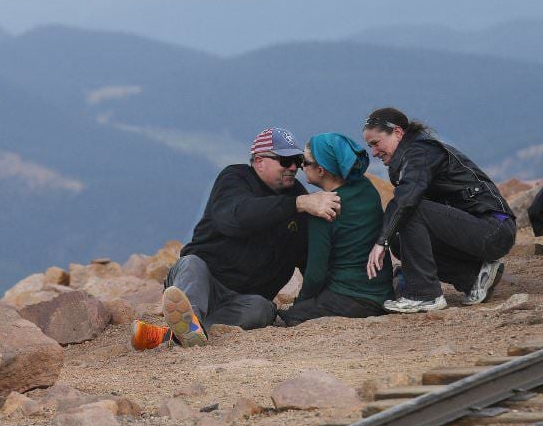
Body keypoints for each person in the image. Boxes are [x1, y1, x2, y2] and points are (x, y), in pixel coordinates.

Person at [131, 127, 342, 350]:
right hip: (207, 281)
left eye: (297, 160)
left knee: (263, 309)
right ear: (259, 161)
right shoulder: (235, 178)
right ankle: (188, 322)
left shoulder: (296, 195)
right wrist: (298, 204)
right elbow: (237, 218)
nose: (292, 168)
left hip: (245, 299)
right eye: (284, 160)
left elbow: (307, 256)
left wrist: (333, 297)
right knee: (192, 265)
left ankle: (181, 334)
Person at [363, 107, 516, 313]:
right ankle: (474, 276)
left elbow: (407, 199)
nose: (373, 152)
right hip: (475, 229)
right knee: (401, 243)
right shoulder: (410, 156)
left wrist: (381, 241)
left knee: (411, 210)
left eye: (375, 143)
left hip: (494, 229)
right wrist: (388, 239)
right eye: (369, 146)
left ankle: (424, 295)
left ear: (398, 133)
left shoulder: (421, 152)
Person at [278, 133, 392, 326]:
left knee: (290, 317)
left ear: (321, 170)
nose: (299, 167)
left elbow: (316, 272)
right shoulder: (366, 187)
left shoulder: (323, 209)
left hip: (350, 297)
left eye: (303, 161)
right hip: (383, 291)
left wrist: (302, 302)